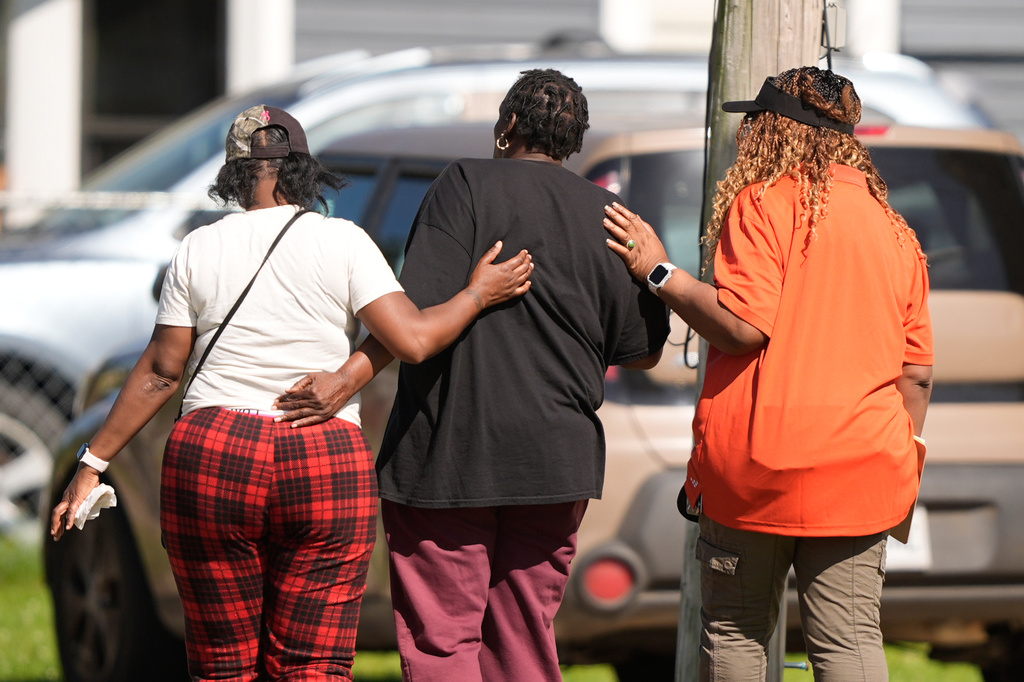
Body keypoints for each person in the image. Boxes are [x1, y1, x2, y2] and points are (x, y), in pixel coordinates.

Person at [50, 104, 533, 682]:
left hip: (213, 452)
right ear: (304, 169)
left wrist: (92, 463)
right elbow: (413, 340)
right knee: (314, 666)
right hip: (322, 454)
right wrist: (479, 293)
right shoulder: (344, 243)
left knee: (221, 665)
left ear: (232, 174)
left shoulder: (198, 248)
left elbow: (160, 370)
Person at [274, 69, 670, 681]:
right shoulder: (612, 217)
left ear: (507, 125)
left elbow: (410, 320)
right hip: (556, 462)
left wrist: (345, 379)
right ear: (574, 142)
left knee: (443, 639)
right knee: (523, 637)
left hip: (449, 453)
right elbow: (642, 351)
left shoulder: (464, 184)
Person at [603, 66, 933, 681]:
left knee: (736, 634)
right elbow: (916, 374)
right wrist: (896, 454)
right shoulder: (895, 229)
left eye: (754, 120)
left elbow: (744, 325)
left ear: (775, 129)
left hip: (755, 469)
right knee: (851, 644)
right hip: (863, 470)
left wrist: (658, 271)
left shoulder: (761, 202)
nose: (746, 131)